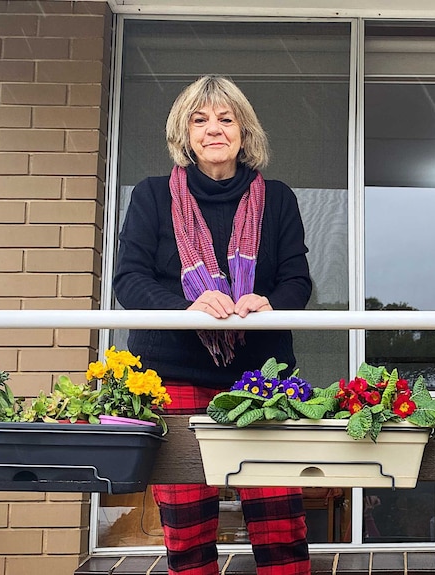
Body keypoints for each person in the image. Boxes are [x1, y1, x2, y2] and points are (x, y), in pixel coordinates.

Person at [113, 75, 313, 575]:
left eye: (226, 119)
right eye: (199, 120)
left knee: (278, 516)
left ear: (245, 133)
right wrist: (188, 307)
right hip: (173, 375)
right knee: (186, 522)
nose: (213, 129)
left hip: (261, 380)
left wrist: (268, 302)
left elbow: (297, 280)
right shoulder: (152, 196)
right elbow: (129, 281)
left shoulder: (279, 199)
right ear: (184, 134)